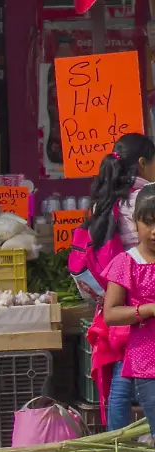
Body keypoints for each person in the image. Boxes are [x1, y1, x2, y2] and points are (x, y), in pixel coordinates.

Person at [75, 134, 155, 430]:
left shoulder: (109, 197)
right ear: (144, 163)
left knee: (124, 367)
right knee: (129, 368)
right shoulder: (144, 198)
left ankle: (117, 440)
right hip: (139, 292)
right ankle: (120, 439)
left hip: (117, 290)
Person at [103, 184, 155, 429]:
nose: (154, 231)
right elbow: (110, 314)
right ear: (135, 222)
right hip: (148, 361)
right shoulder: (126, 262)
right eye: (148, 223)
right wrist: (148, 310)